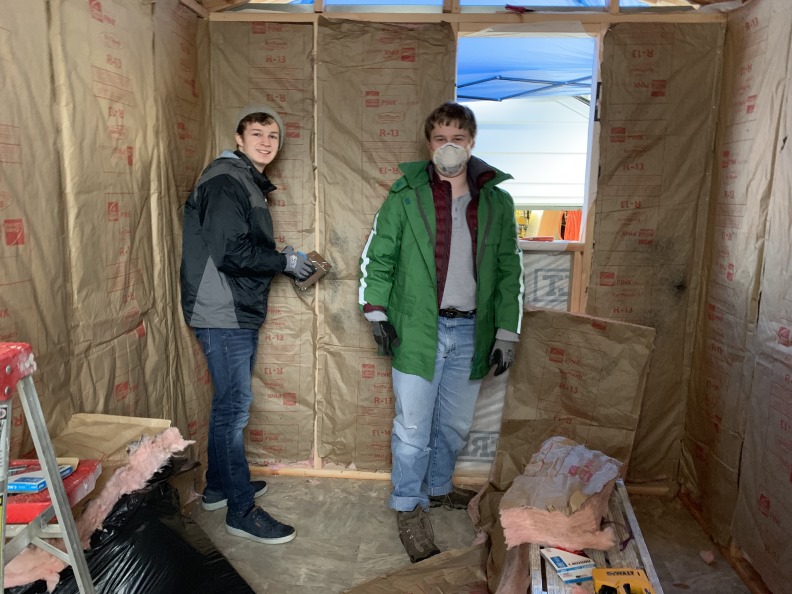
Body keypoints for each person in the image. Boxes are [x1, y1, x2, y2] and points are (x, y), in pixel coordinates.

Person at [358, 101, 524, 563]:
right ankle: (408, 505)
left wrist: (507, 332)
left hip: (471, 330)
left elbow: (510, 270)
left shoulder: (496, 201)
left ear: (471, 143)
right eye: (440, 139)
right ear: (429, 144)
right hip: (417, 327)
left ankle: (436, 487)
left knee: (453, 426)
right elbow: (379, 256)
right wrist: (376, 312)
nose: (449, 147)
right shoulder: (406, 195)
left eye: (458, 139)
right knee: (413, 427)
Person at [180, 104, 314, 545]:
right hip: (222, 309)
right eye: (257, 133)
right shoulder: (226, 180)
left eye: (273, 136)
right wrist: (284, 262)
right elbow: (231, 253)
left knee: (228, 405)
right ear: (238, 139)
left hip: (233, 306)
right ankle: (241, 511)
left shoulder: (245, 181)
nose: (266, 142)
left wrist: (281, 258)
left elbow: (239, 245)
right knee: (235, 408)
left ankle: (218, 488)